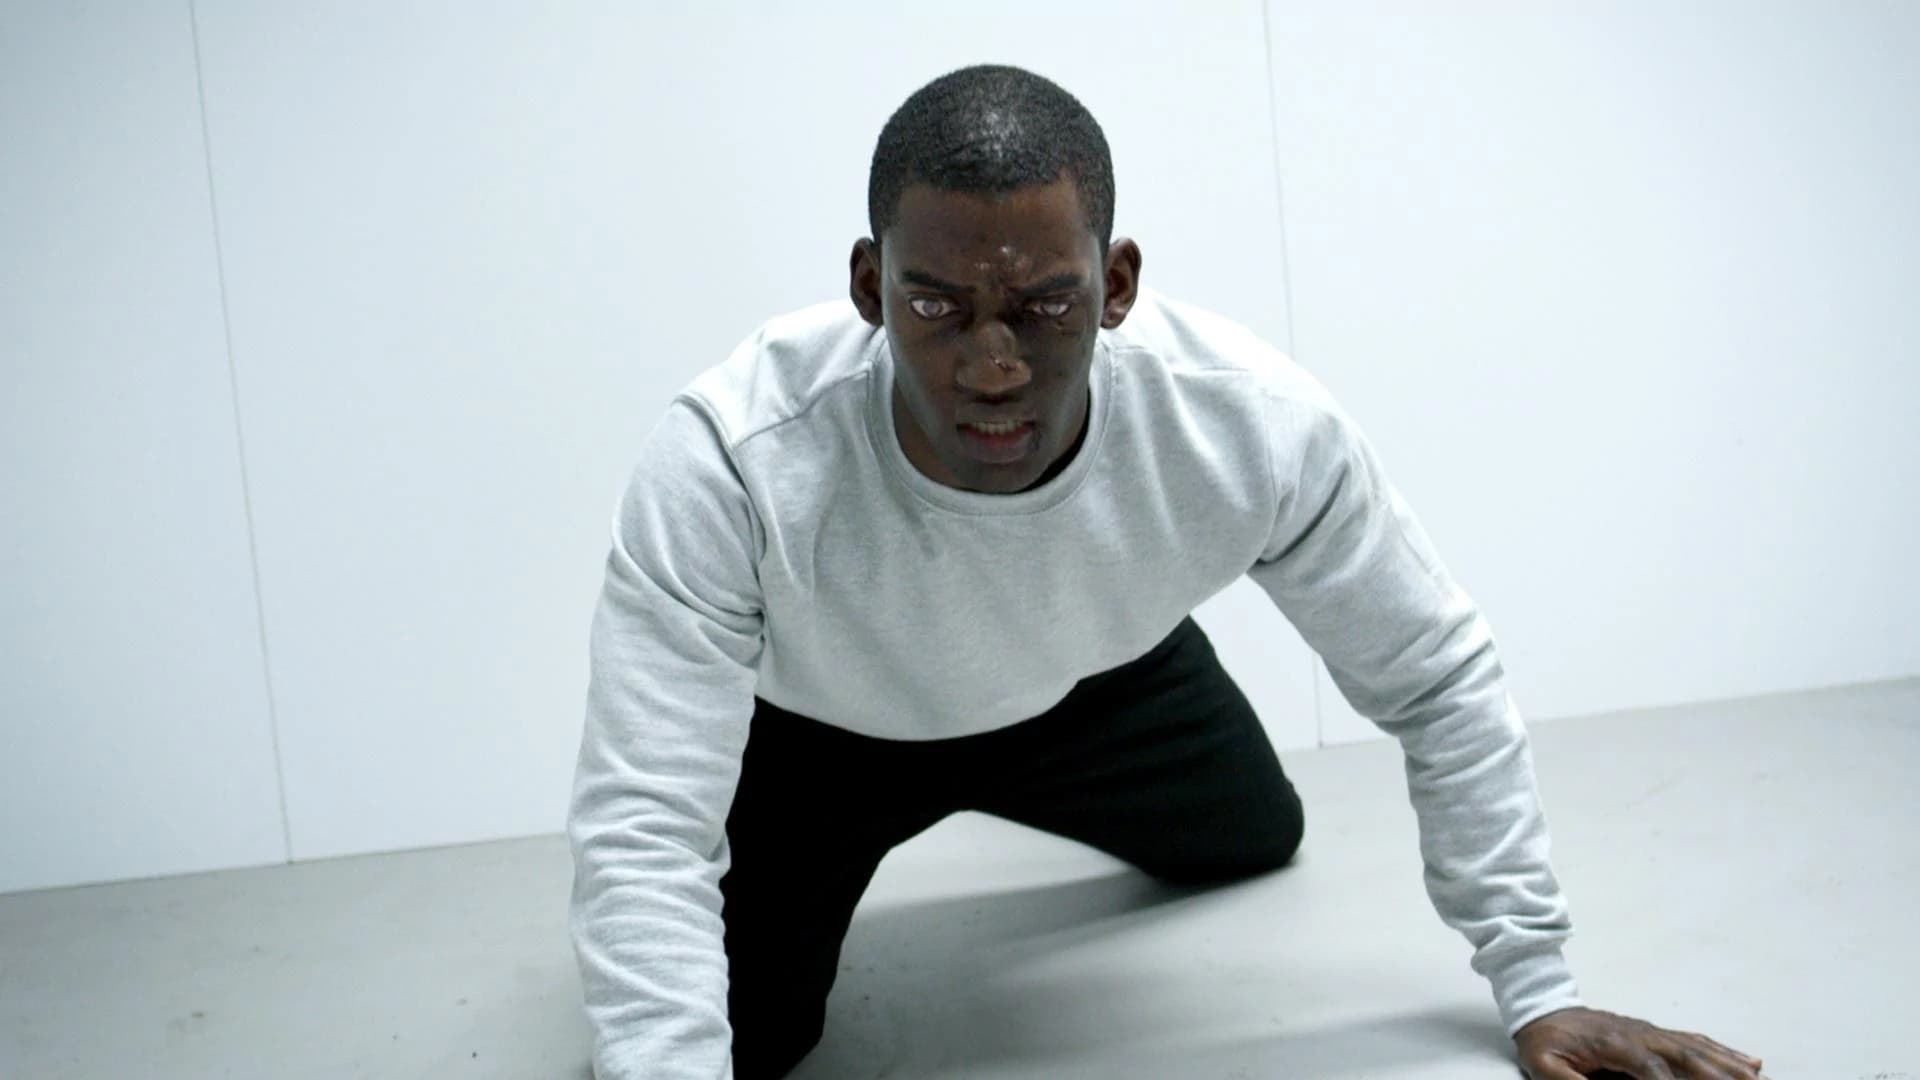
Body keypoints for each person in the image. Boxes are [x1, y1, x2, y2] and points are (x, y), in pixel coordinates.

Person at [567, 63, 1767, 1080]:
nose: (993, 365)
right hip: (823, 731)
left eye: (1045, 306)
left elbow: (1436, 675)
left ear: (1118, 286)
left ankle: (1111, 666)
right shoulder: (732, 459)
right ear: (871, 288)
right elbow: (644, 820)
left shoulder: (1243, 426)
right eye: (937, 306)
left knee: (1255, 835)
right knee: (753, 1043)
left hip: (1097, 679)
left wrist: (1538, 987)